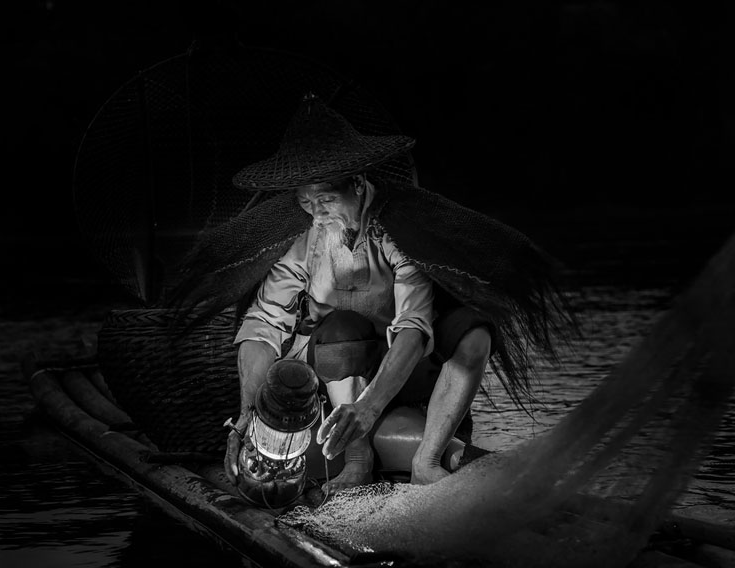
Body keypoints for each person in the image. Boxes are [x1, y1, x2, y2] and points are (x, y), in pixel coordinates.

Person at [172, 93, 574, 494]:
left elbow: (413, 329)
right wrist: (247, 413)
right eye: (306, 202)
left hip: (409, 370)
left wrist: (369, 408)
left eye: (327, 199)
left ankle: (428, 459)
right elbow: (264, 323)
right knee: (340, 329)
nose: (317, 213)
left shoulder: (398, 230)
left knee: (477, 331)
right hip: (338, 376)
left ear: (359, 186)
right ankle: (358, 457)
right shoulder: (304, 237)